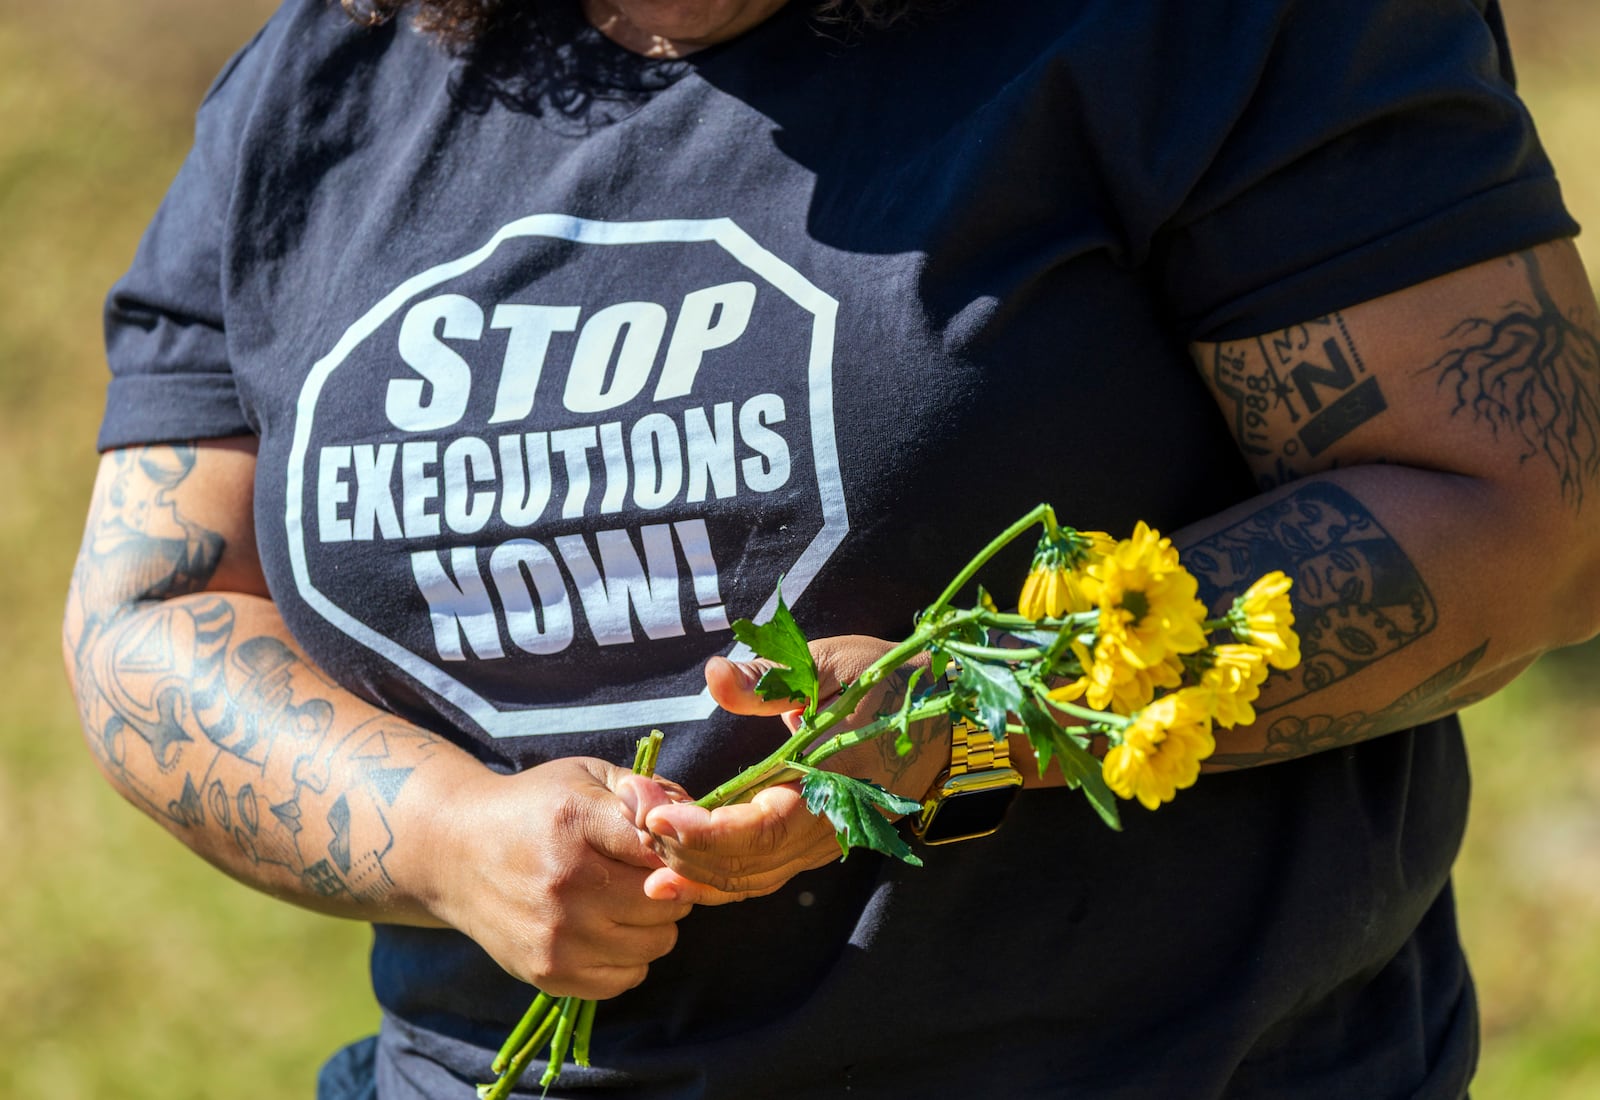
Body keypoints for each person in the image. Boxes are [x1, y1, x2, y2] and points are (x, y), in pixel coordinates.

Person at [62, 0, 1600, 1095]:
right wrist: (447, 835)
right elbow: (162, 607)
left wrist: (975, 711)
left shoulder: (1200, 25)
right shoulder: (326, 80)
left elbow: (1531, 510)